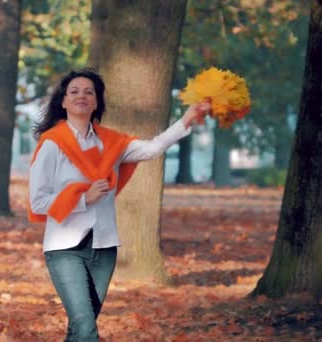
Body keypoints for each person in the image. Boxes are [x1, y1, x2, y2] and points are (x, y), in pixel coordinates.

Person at [28, 68, 210, 341]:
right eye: (74, 91)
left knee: (79, 329)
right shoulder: (51, 144)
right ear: (63, 101)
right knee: (87, 329)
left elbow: (152, 149)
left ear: (97, 102)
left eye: (89, 92)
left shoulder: (110, 143)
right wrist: (82, 199)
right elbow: (38, 201)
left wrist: (187, 118)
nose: (82, 96)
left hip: (104, 248)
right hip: (64, 249)